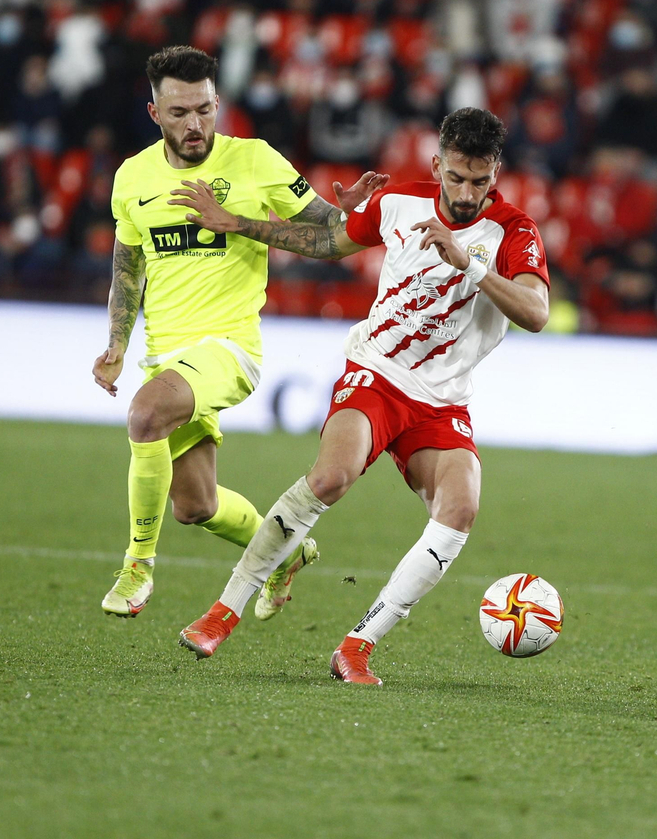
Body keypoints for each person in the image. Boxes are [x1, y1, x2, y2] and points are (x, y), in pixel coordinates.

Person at [166, 107, 550, 684]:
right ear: (437, 163)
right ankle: (223, 613)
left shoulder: (513, 233)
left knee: (461, 508)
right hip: (376, 372)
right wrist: (238, 222)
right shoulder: (399, 201)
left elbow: (536, 313)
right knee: (330, 478)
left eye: (480, 180)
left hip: (443, 401)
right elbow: (327, 242)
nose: (466, 192)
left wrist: (468, 264)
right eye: (456, 177)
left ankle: (357, 647)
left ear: (496, 172)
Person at [91, 45, 387, 621]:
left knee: (145, 414)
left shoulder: (253, 161)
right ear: (155, 114)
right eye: (179, 113)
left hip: (230, 349)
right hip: (165, 355)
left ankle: (137, 567)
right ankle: (286, 553)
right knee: (195, 506)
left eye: (204, 109)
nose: (195, 123)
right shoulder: (132, 177)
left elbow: (332, 235)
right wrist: (118, 345)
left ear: (218, 103)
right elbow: (129, 266)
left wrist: (348, 214)